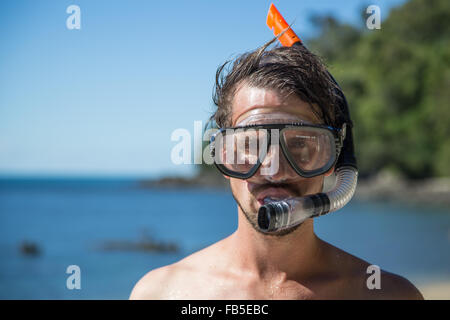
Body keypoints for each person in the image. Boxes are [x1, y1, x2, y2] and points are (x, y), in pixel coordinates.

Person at [130, 39, 424, 300]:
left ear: (333, 157)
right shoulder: (162, 293)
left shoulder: (388, 295)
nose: (274, 170)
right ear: (222, 156)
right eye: (251, 146)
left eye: (299, 146)